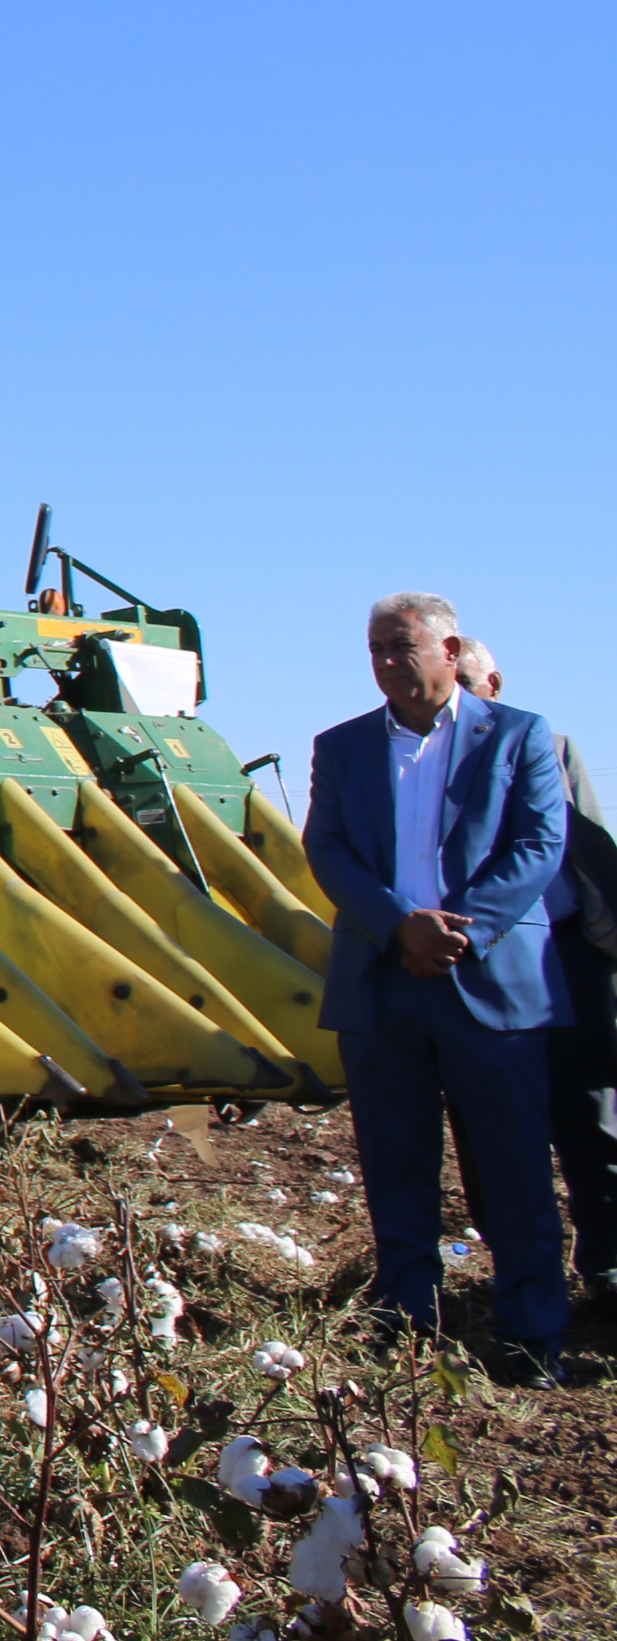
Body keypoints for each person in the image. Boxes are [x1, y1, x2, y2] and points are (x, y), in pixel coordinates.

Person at [304, 592, 572, 1381]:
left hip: (488, 984)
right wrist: (399, 926)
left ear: (450, 650)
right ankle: (405, 1323)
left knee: (515, 1164)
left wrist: (461, 930)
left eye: (402, 646)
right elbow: (329, 848)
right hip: (385, 981)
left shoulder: (517, 735)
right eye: (376, 649)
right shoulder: (343, 746)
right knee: (395, 1160)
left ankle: (531, 1335)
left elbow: (538, 844)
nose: (388, 661)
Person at [457, 642, 617, 1302]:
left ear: (493, 681)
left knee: (591, 1116)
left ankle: (606, 1265)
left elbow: (592, 848)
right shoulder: (416, 764)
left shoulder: (553, 748)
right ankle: (520, 1272)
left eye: (464, 681)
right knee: (491, 1125)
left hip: (568, 956)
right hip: (481, 965)